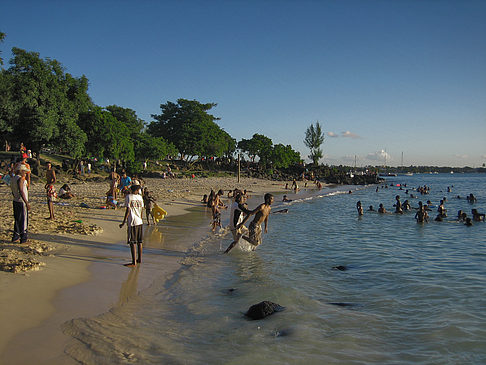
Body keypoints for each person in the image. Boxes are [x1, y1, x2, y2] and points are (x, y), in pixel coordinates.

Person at [119, 184, 144, 267]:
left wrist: (123, 222)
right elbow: (141, 210)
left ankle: (134, 262)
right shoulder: (140, 198)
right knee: (139, 241)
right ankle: (139, 259)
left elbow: (128, 210)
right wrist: (140, 218)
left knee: (132, 242)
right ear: (137, 190)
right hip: (140, 221)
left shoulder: (129, 197)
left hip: (132, 222)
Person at [11, 164, 30, 243]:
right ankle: (23, 237)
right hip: (21, 201)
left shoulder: (13, 178)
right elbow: (21, 191)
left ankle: (16, 235)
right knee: (23, 219)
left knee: (17, 218)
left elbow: (13, 191)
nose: (25, 174)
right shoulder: (20, 179)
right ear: (21, 171)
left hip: (15, 200)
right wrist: (26, 202)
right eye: (24, 172)